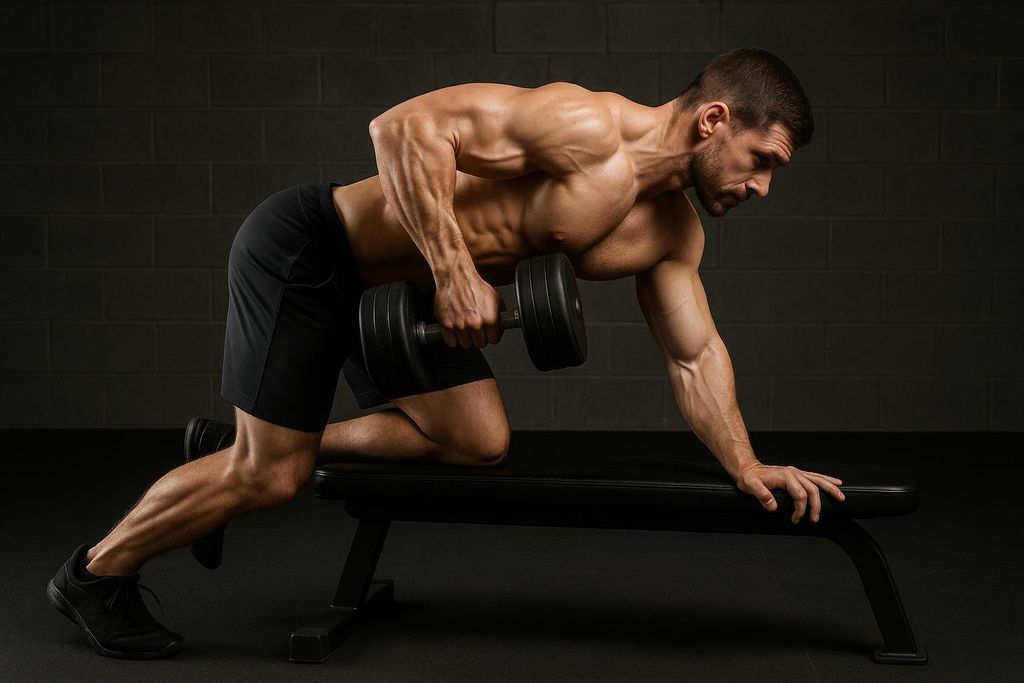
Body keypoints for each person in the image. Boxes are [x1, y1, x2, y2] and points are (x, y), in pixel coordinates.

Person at [48, 47, 845, 659]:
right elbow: (401, 128)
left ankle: (226, 449)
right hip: (313, 251)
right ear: (714, 121)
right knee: (274, 476)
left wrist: (746, 464)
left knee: (477, 439)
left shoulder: (672, 231)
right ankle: (95, 575)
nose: (763, 187)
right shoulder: (584, 127)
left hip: (397, 303)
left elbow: (694, 355)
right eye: (762, 160)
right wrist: (454, 269)